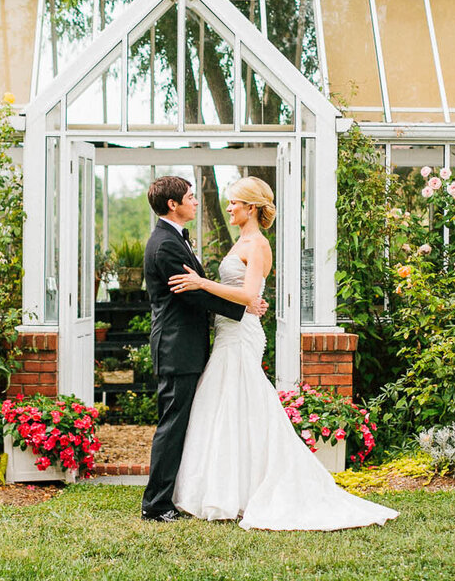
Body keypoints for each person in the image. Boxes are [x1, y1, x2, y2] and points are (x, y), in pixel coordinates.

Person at [168, 176, 398, 531]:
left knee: (240, 404)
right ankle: (228, 488)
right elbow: (242, 296)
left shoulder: (257, 244)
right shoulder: (242, 240)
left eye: (233, 203)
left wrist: (201, 283)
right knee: (227, 407)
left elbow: (247, 295)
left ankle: (244, 489)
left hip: (241, 335)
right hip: (228, 331)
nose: (228, 207)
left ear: (251, 208)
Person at [140, 175, 268, 522]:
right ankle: (156, 504)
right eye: (191, 197)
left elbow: (202, 287)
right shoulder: (165, 244)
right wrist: (243, 307)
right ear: (173, 204)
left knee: (185, 419)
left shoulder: (175, 238)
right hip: (176, 346)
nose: (196, 202)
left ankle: (171, 496)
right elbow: (192, 294)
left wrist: (244, 304)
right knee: (173, 422)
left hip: (194, 344)